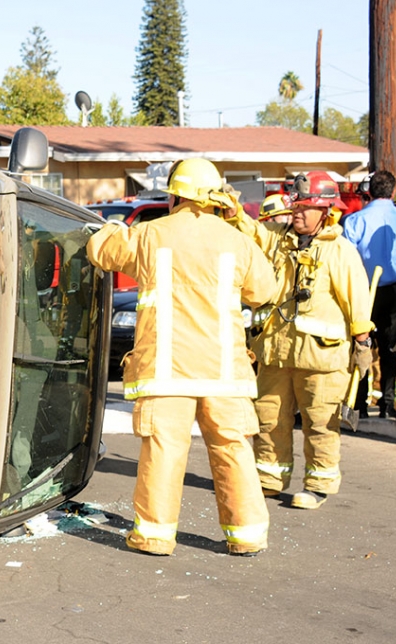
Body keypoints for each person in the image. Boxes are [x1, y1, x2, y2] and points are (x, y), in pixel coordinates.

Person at [86, 158, 277, 556]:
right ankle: (247, 536)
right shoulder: (237, 241)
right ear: (216, 198)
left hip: (167, 371)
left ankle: (154, 536)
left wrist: (110, 227)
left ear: (174, 194)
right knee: (232, 449)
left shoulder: (151, 234)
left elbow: (100, 251)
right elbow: (265, 290)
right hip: (224, 371)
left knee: (165, 449)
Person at [224, 171, 374, 510]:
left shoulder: (340, 252)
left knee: (320, 423)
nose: (298, 213)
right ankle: (269, 480)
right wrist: (234, 211)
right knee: (268, 419)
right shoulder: (279, 239)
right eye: (297, 205)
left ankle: (318, 484)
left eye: (306, 208)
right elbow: (253, 233)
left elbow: (357, 300)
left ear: (326, 211)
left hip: (321, 359)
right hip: (277, 352)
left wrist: (363, 342)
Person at [341, 169, 396, 419]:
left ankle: (359, 404)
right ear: (392, 190)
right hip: (394, 289)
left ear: (368, 191)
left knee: (362, 344)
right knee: (391, 348)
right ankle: (387, 404)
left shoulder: (355, 221)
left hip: (362, 290)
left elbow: (347, 259)